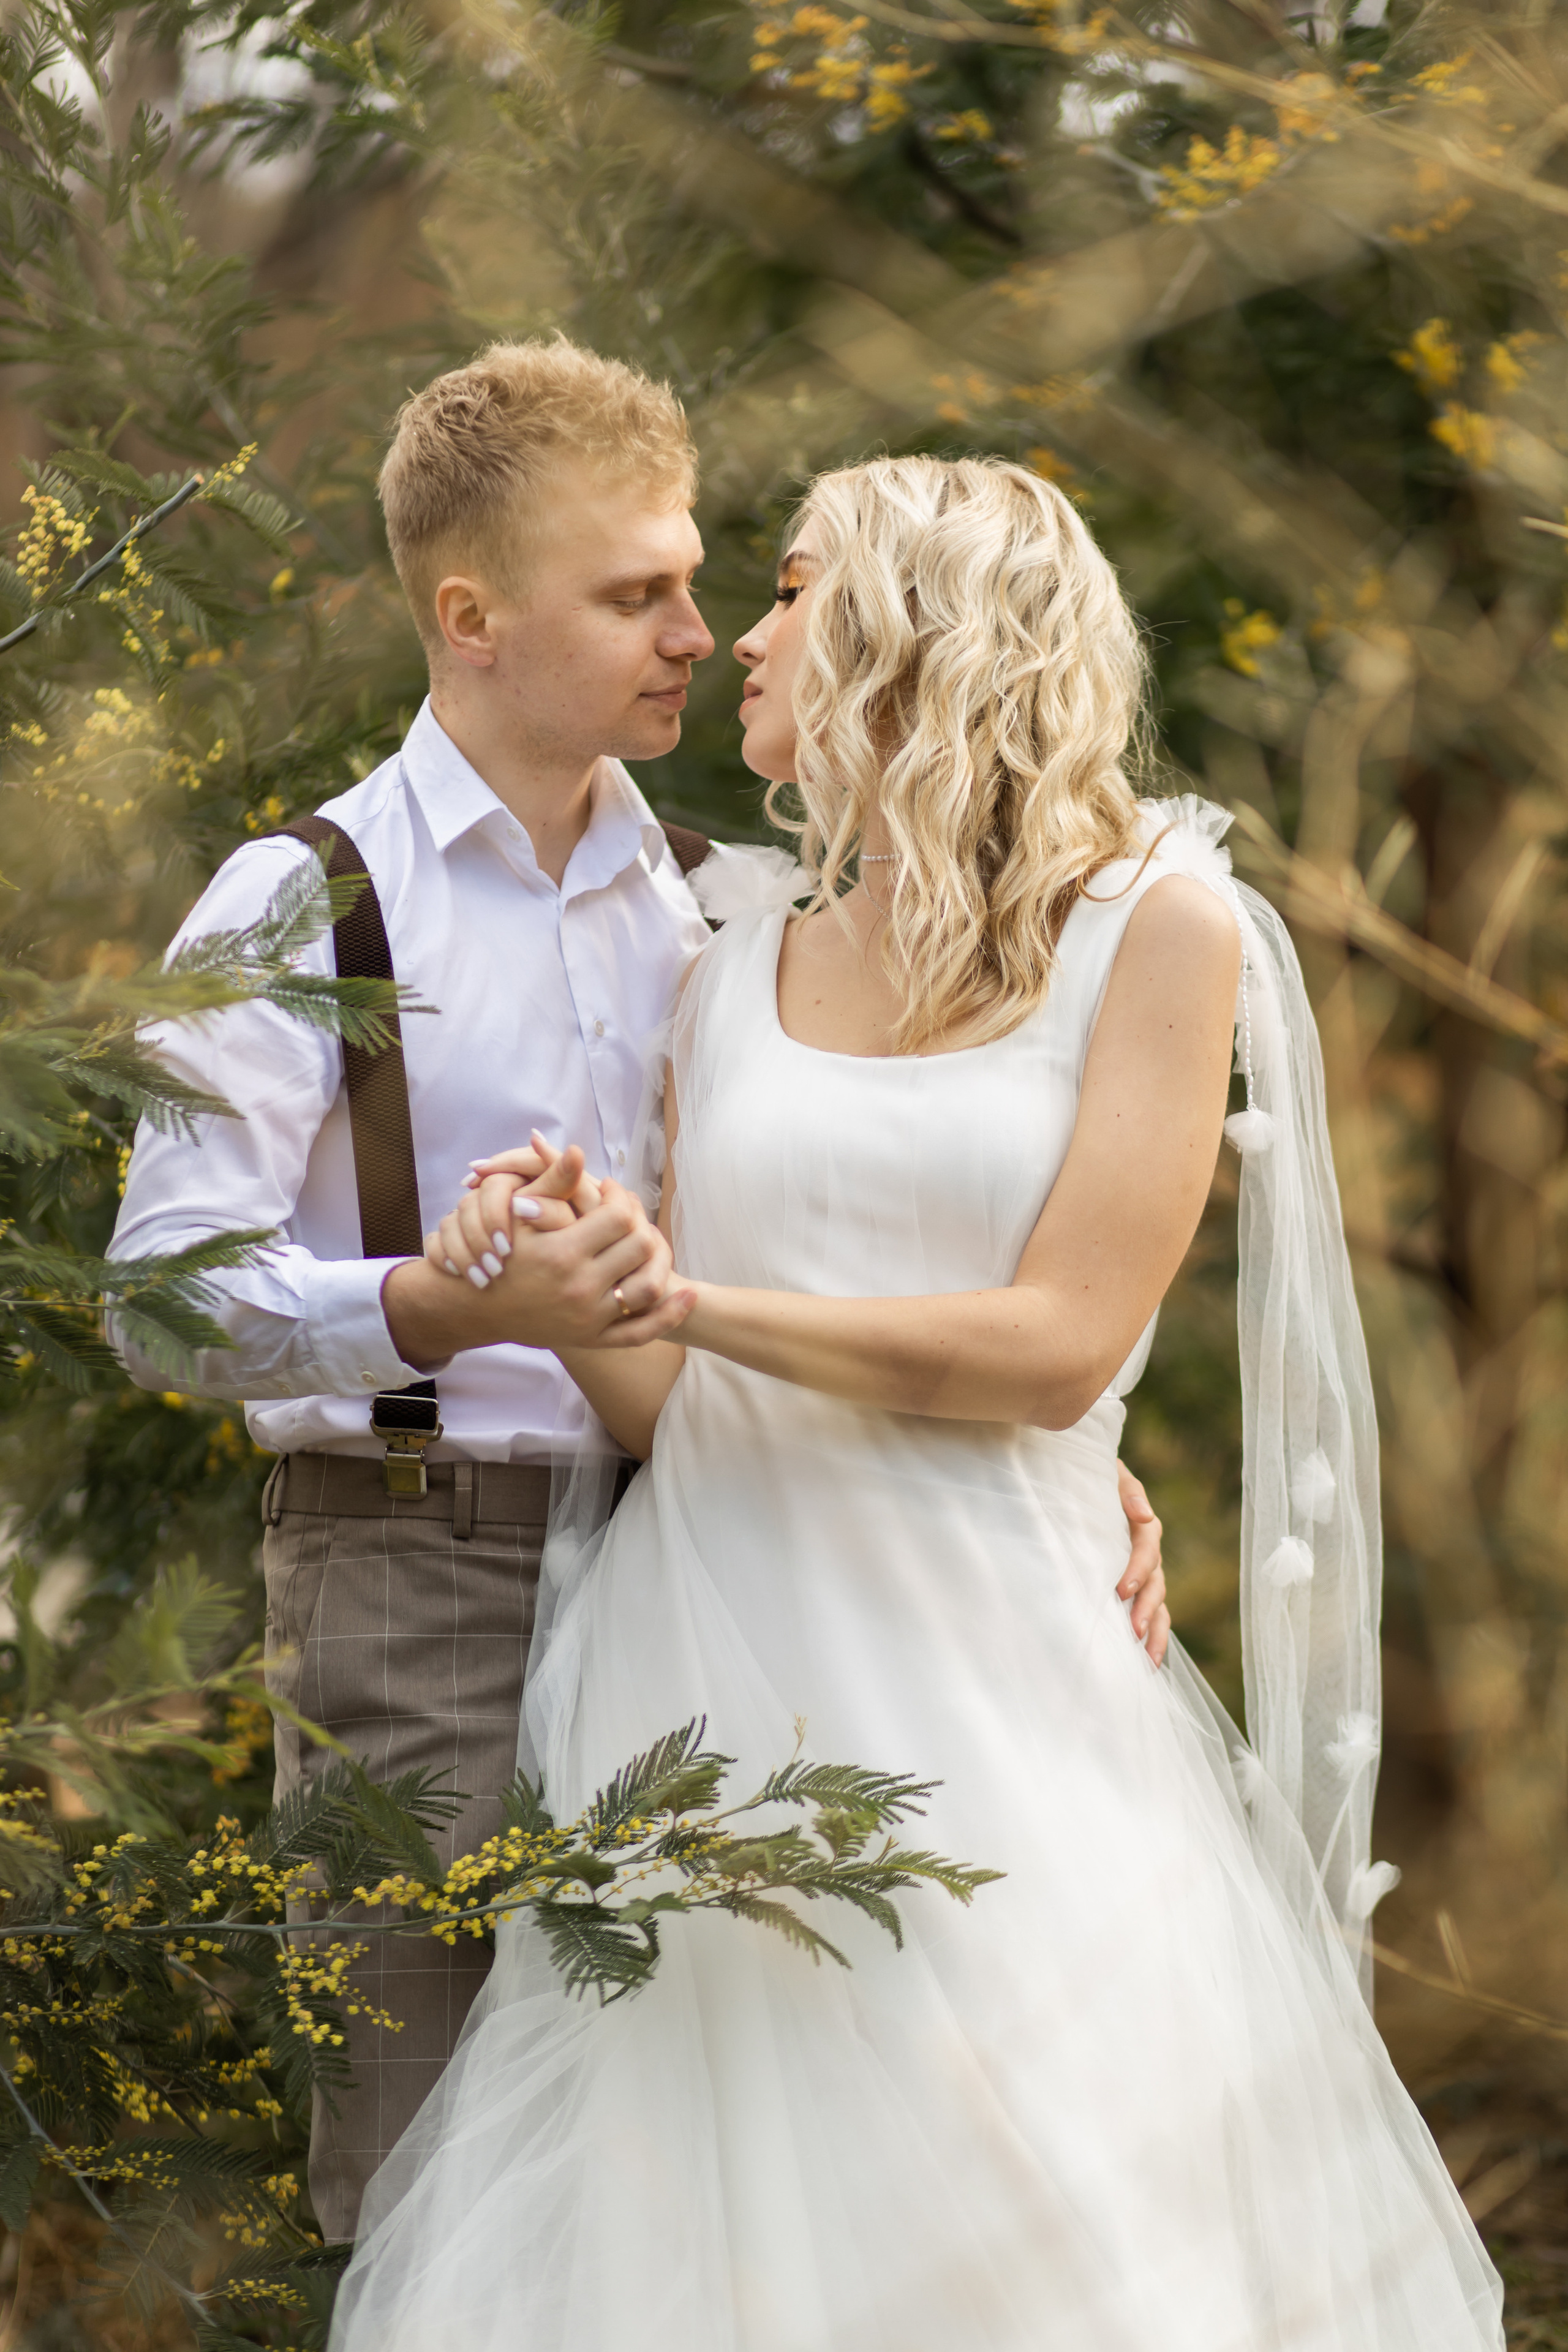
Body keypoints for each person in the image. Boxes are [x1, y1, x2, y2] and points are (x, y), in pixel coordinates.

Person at [328, 453, 1504, 2352]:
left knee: (1037, 2211)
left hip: (992, 1673)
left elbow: (1056, 1345)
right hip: (704, 1659)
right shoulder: (732, 957)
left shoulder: (1157, 926)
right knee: (695, 2247)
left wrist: (712, 1302)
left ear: (918, 633)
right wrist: (564, 1260)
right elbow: (663, 1400)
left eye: (793, 591)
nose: (744, 637)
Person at [107, 343, 1168, 2245]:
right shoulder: (302, 906)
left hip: (737, 1571)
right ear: (474, 617)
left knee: (715, 2182)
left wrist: (1076, 1463)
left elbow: (908, 1220)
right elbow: (159, 1306)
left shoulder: (737, 899)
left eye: (699, 580)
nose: (697, 629)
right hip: (418, 1565)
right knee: (432, 2174)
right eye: (636, 595)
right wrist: (426, 1308)